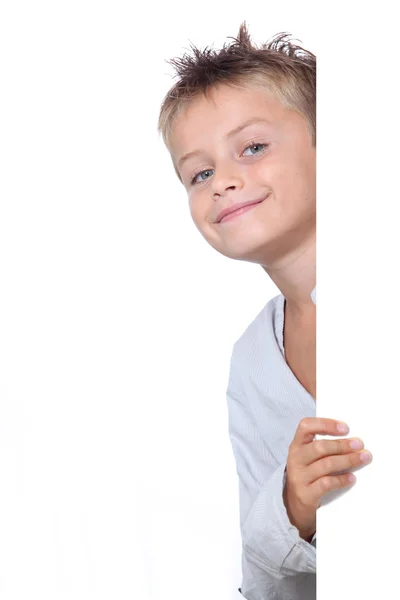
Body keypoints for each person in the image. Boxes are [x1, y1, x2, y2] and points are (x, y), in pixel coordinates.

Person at [157, 22, 373, 600]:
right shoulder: (252, 362)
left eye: (252, 147)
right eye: (198, 173)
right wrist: (294, 506)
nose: (223, 181)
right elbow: (265, 580)